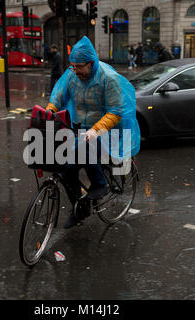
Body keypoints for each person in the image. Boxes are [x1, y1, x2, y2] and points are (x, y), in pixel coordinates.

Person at [45, 36, 141, 228]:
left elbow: (116, 111)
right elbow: (59, 96)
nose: (75, 70)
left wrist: (96, 130)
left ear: (91, 63)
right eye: (73, 66)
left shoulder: (108, 78)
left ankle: (100, 184)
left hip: (109, 129)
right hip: (83, 128)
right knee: (67, 172)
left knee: (85, 148)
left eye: (79, 66)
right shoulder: (73, 75)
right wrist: (49, 111)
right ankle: (80, 209)